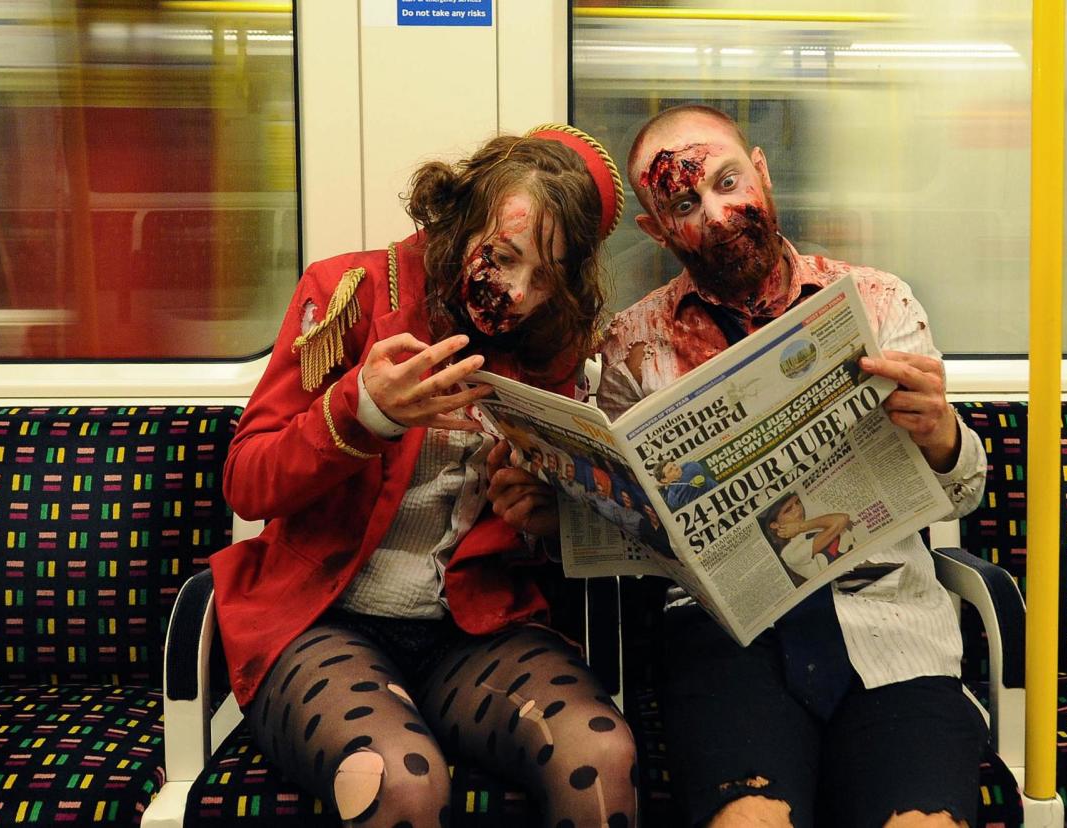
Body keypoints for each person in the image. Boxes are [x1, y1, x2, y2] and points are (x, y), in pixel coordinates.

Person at [490, 104, 989, 827]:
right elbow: (636, 530)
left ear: (760, 167)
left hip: (892, 626)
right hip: (726, 639)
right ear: (657, 230)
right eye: (685, 203)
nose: (720, 215)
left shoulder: (878, 302)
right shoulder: (634, 347)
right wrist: (557, 518)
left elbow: (963, 491)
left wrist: (941, 433)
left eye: (728, 182)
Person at [209, 124, 638, 828]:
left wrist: (541, 517)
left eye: (546, 277)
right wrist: (364, 412)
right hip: (323, 620)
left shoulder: (552, 348)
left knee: (601, 753)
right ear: (463, 211)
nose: (518, 294)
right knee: (399, 783)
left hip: (472, 630)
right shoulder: (350, 291)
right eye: (502, 257)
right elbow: (248, 483)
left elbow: (559, 544)